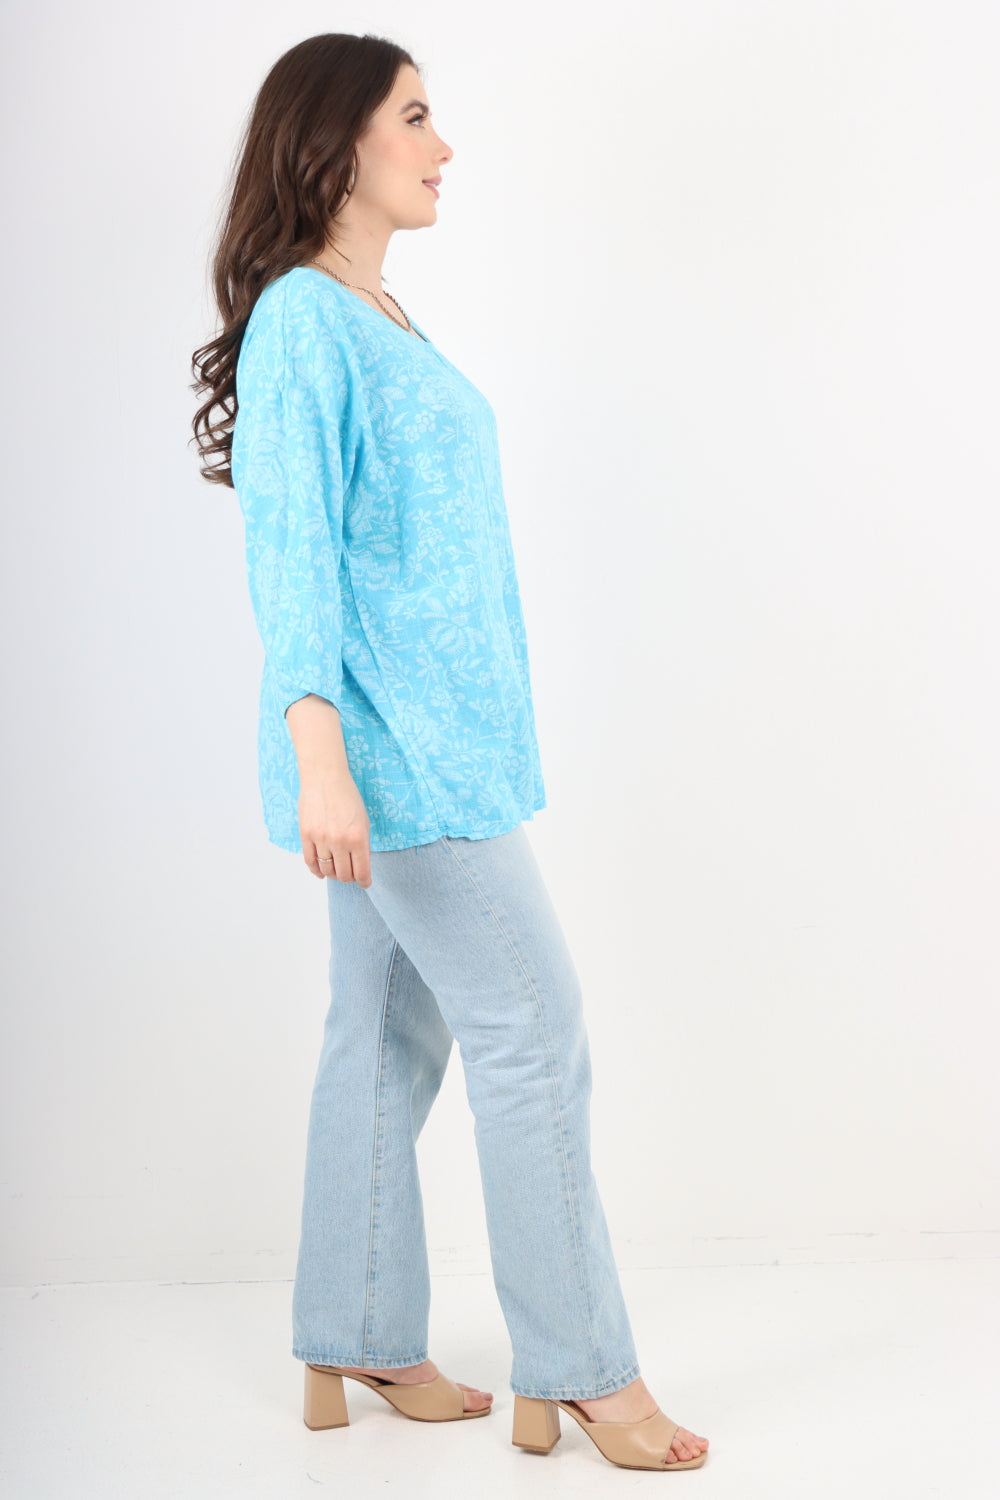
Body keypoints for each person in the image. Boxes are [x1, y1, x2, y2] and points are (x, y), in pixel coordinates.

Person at [190, 31, 709, 1473]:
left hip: (439, 750)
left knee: (384, 1035)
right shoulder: (306, 321)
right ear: (336, 143)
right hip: (397, 762)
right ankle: (587, 1370)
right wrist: (320, 756)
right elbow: (291, 554)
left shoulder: (377, 313)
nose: (444, 146)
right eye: (415, 118)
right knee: (532, 1033)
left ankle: (354, 1328)